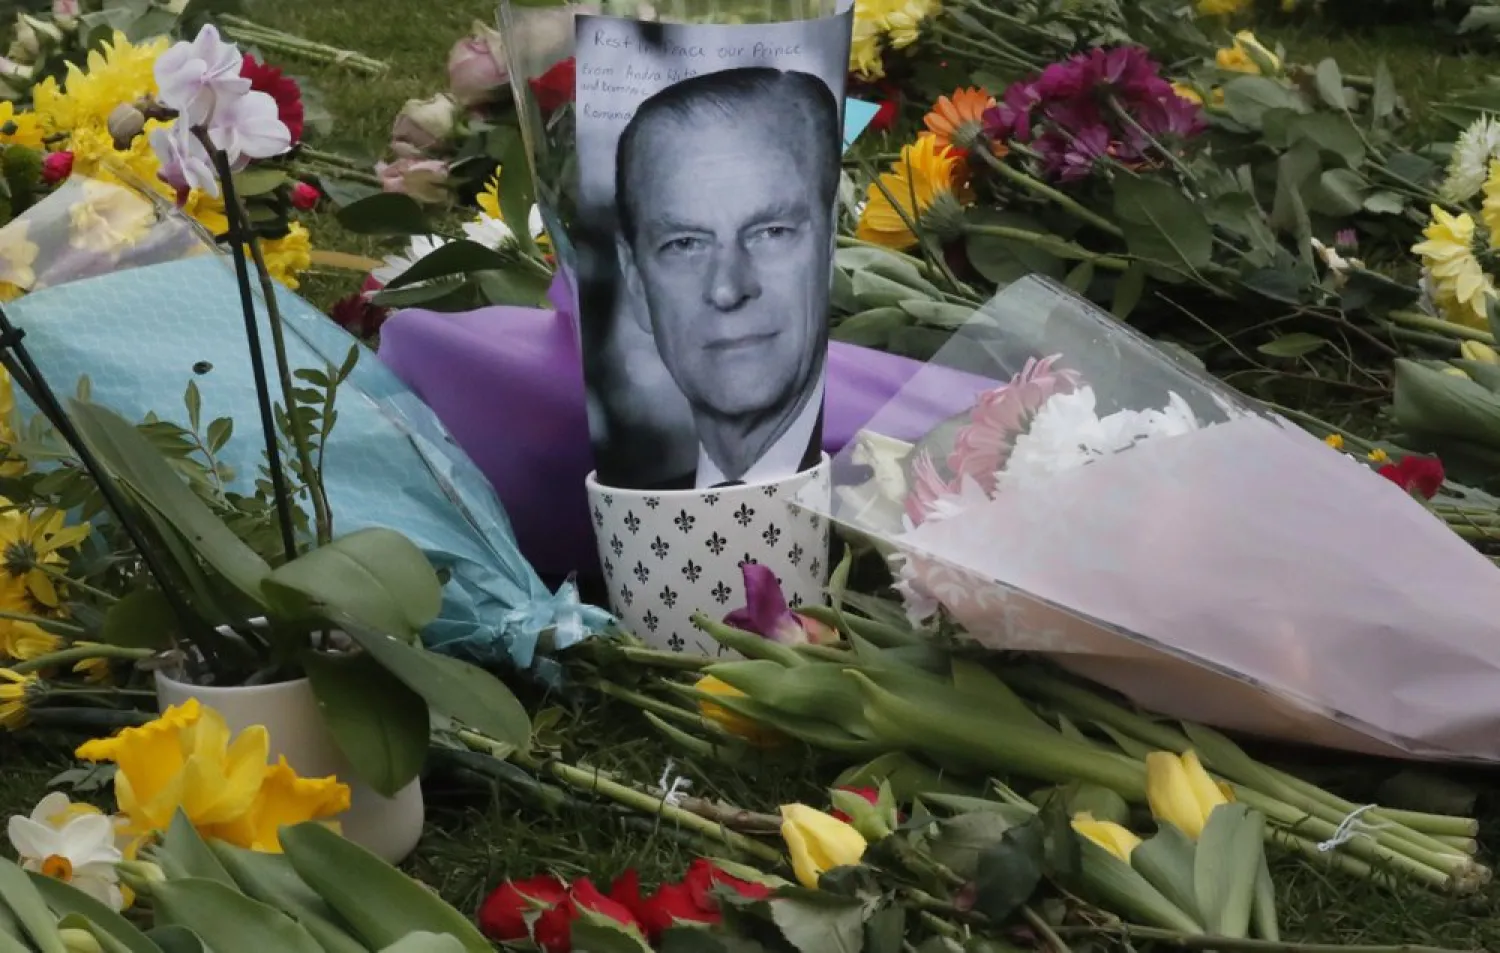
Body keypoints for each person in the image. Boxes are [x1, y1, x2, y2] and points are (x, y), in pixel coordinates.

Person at [614, 67, 839, 489]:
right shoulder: (624, 509)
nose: (727, 289)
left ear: (832, 246)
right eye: (684, 244)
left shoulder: (909, 482)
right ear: (637, 282)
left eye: (771, 233)